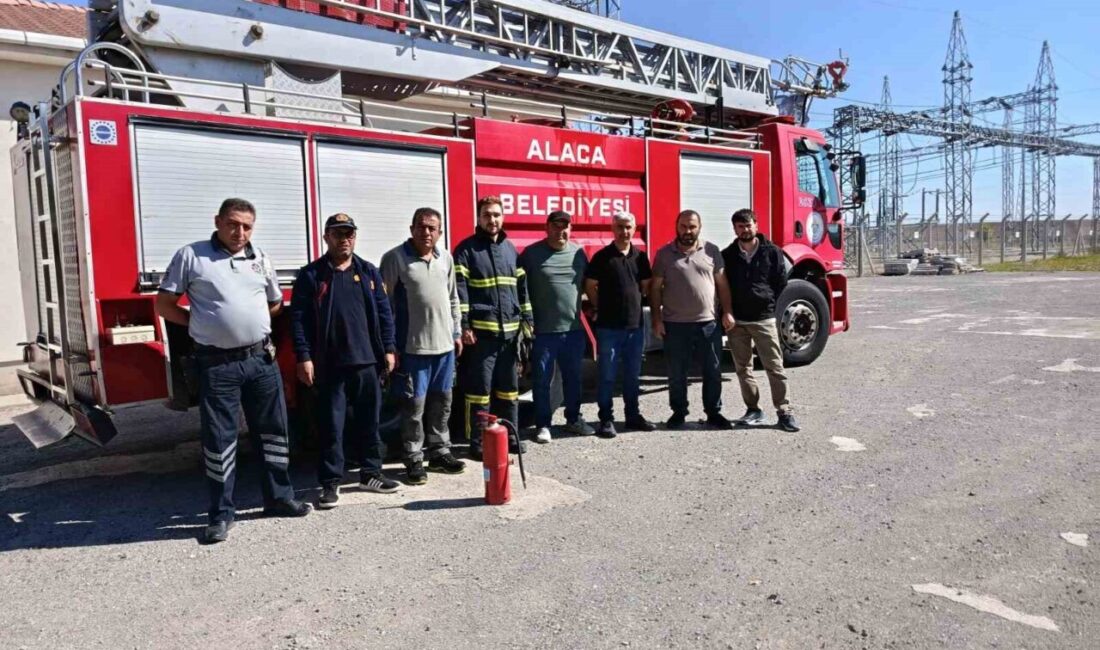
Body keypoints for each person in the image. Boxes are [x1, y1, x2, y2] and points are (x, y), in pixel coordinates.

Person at [156, 197, 311, 544]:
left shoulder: (260, 258)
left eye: (247, 226)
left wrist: (247, 322)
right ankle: (221, 515)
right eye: (233, 224)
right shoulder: (191, 256)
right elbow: (164, 305)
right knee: (220, 441)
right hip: (217, 365)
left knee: (273, 432)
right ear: (218, 221)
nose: (240, 232)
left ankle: (279, 497)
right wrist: (199, 324)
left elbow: (274, 303)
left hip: (260, 362)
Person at [290, 213, 400, 510]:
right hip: (329, 365)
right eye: (338, 233)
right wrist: (304, 357)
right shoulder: (312, 275)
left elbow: (384, 313)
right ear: (326, 236)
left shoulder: (368, 272)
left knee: (369, 422)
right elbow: (298, 320)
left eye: (349, 233)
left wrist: (388, 348)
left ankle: (371, 474)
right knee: (331, 427)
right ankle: (330, 483)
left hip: (367, 362)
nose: (345, 239)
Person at [380, 207, 467, 485]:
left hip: (444, 350)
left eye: (432, 228)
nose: (426, 232)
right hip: (413, 350)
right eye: (421, 226)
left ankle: (440, 452)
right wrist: (390, 345)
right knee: (413, 409)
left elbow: (453, 298)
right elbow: (385, 306)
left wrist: (456, 332)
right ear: (411, 229)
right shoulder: (395, 259)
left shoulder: (446, 259)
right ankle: (413, 458)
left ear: (440, 232)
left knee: (443, 404)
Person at [454, 196, 530, 460]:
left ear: (503, 217)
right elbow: (459, 293)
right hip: (482, 338)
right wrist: (463, 326)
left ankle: (510, 436)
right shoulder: (466, 250)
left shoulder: (511, 250)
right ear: (478, 218)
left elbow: (522, 291)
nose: (492, 219)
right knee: (479, 393)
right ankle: (477, 442)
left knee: (509, 392)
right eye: (487, 215)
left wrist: (527, 324)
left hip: (509, 336)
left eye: (496, 214)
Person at [650, 209, 735, 430]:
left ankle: (714, 412)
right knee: (677, 373)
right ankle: (678, 412)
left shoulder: (711, 251)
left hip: (708, 323)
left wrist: (727, 311)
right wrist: (657, 319)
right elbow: (655, 289)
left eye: (692, 226)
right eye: (683, 226)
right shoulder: (664, 254)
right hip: (675, 325)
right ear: (676, 227)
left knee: (713, 371)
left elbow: (722, 285)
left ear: (699, 227)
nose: (688, 231)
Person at [721, 209, 799, 432]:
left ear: (756, 225)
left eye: (748, 225)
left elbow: (780, 281)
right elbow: (723, 286)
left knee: (774, 366)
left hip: (763, 319)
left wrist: (766, 302)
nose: (744, 230)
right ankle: (753, 409)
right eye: (739, 226)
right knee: (743, 368)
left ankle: (784, 411)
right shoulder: (728, 255)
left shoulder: (773, 252)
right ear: (734, 229)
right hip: (737, 321)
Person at [519, 210, 594, 443]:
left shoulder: (579, 254)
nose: (561, 231)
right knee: (542, 380)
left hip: (572, 330)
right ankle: (543, 425)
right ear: (547, 227)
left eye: (566, 226)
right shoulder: (531, 255)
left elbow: (588, 285)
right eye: (556, 226)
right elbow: (520, 289)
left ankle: (573, 419)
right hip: (543, 332)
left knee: (573, 379)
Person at [583, 211, 656, 438]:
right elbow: (590, 285)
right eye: (620, 227)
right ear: (613, 229)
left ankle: (632, 416)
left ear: (634, 229)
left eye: (628, 227)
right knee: (607, 374)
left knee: (633, 375)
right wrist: (598, 307)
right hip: (608, 328)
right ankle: (606, 419)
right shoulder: (602, 257)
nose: (624, 231)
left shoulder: (640, 257)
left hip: (635, 327)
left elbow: (646, 286)